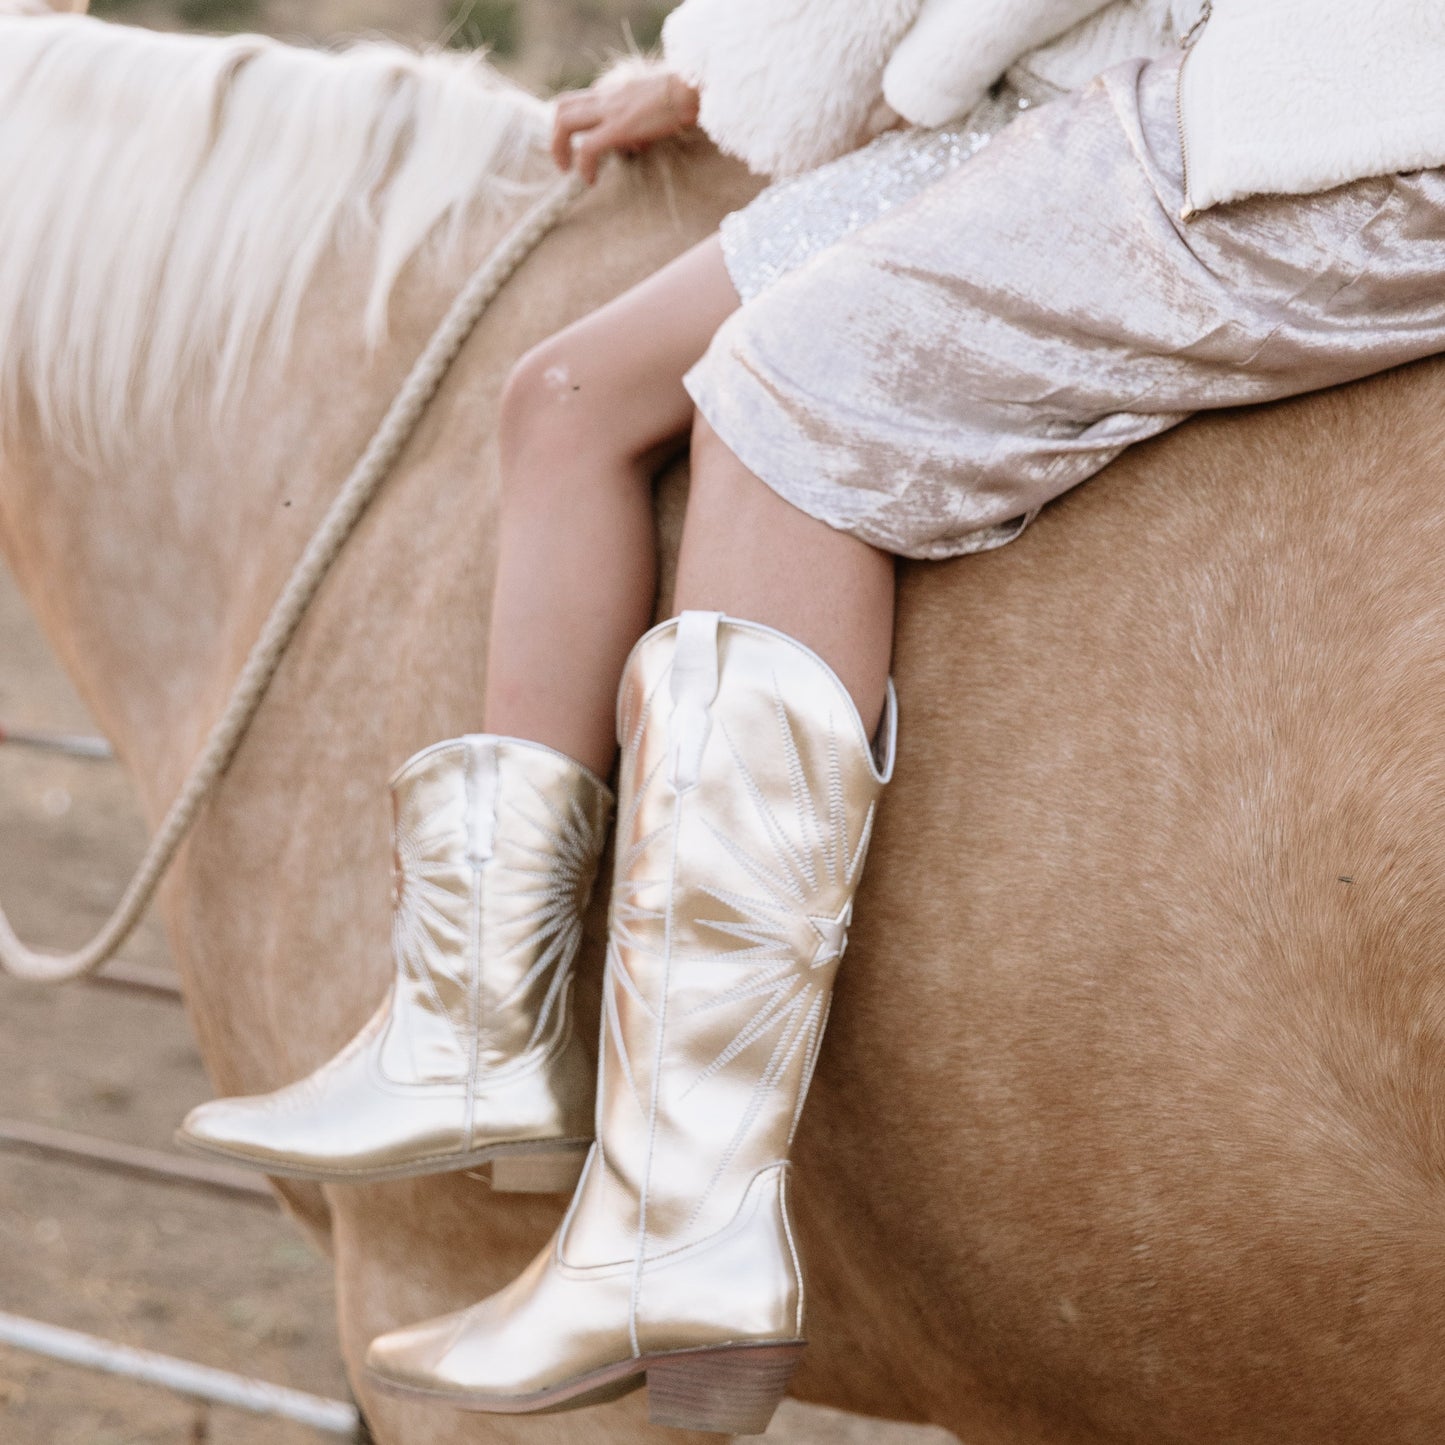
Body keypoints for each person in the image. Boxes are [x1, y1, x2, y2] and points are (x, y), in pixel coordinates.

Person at [182, 0, 1445, 1431]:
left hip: (1339, 105)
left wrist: (779, 79)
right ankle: (480, 1017)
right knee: (569, 386)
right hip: (1206, 72)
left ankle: (683, 1211)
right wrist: (747, 63)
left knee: (783, 395)